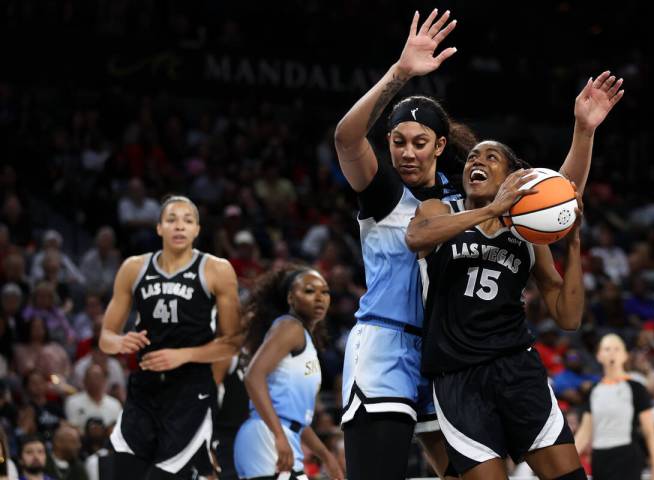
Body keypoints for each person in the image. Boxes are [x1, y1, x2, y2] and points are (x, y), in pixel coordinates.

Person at [335, 8, 624, 479]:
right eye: (399, 142)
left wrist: (583, 132)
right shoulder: (395, 197)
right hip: (393, 346)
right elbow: (348, 141)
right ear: (388, 144)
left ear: (439, 145)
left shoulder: (463, 201)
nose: (408, 152)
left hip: (446, 354)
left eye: (420, 142)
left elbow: (557, 200)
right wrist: (401, 73)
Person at [406, 134, 592, 477]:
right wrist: (491, 210)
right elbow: (416, 237)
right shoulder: (440, 210)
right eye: (473, 157)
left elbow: (568, 317)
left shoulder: (527, 236)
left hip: (516, 369)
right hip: (457, 377)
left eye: (491, 157)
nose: (477, 161)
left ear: (511, 178)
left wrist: (575, 242)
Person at [99, 195, 241, 479]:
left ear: (197, 230)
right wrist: (120, 342)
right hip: (143, 391)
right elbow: (105, 337)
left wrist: (184, 354)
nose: (180, 226)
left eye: (188, 221)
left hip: (191, 393)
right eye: (172, 220)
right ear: (159, 228)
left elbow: (233, 342)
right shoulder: (133, 268)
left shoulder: (217, 269)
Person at [233, 266, 344, 480]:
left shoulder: (302, 337)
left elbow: (296, 417)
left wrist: (325, 455)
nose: (319, 298)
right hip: (266, 436)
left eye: (325, 291)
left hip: (284, 434)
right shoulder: (289, 327)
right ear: (291, 298)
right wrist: (278, 435)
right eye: (310, 291)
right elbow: (253, 377)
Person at [575, 334, 654, 480]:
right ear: (599, 356)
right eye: (607, 349)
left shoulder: (636, 388)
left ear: (625, 355)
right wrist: (564, 465)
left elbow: (650, 432)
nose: (612, 353)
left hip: (627, 456)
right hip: (600, 458)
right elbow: (584, 433)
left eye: (617, 349)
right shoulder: (593, 390)